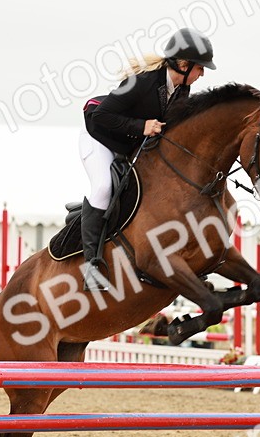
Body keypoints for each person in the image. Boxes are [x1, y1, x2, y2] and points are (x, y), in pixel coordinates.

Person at [77, 28, 216, 291]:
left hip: (127, 142)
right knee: (104, 187)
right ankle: (92, 267)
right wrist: (142, 126)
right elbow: (101, 116)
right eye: (200, 68)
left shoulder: (181, 90)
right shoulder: (143, 82)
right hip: (98, 136)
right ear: (184, 65)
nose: (202, 74)